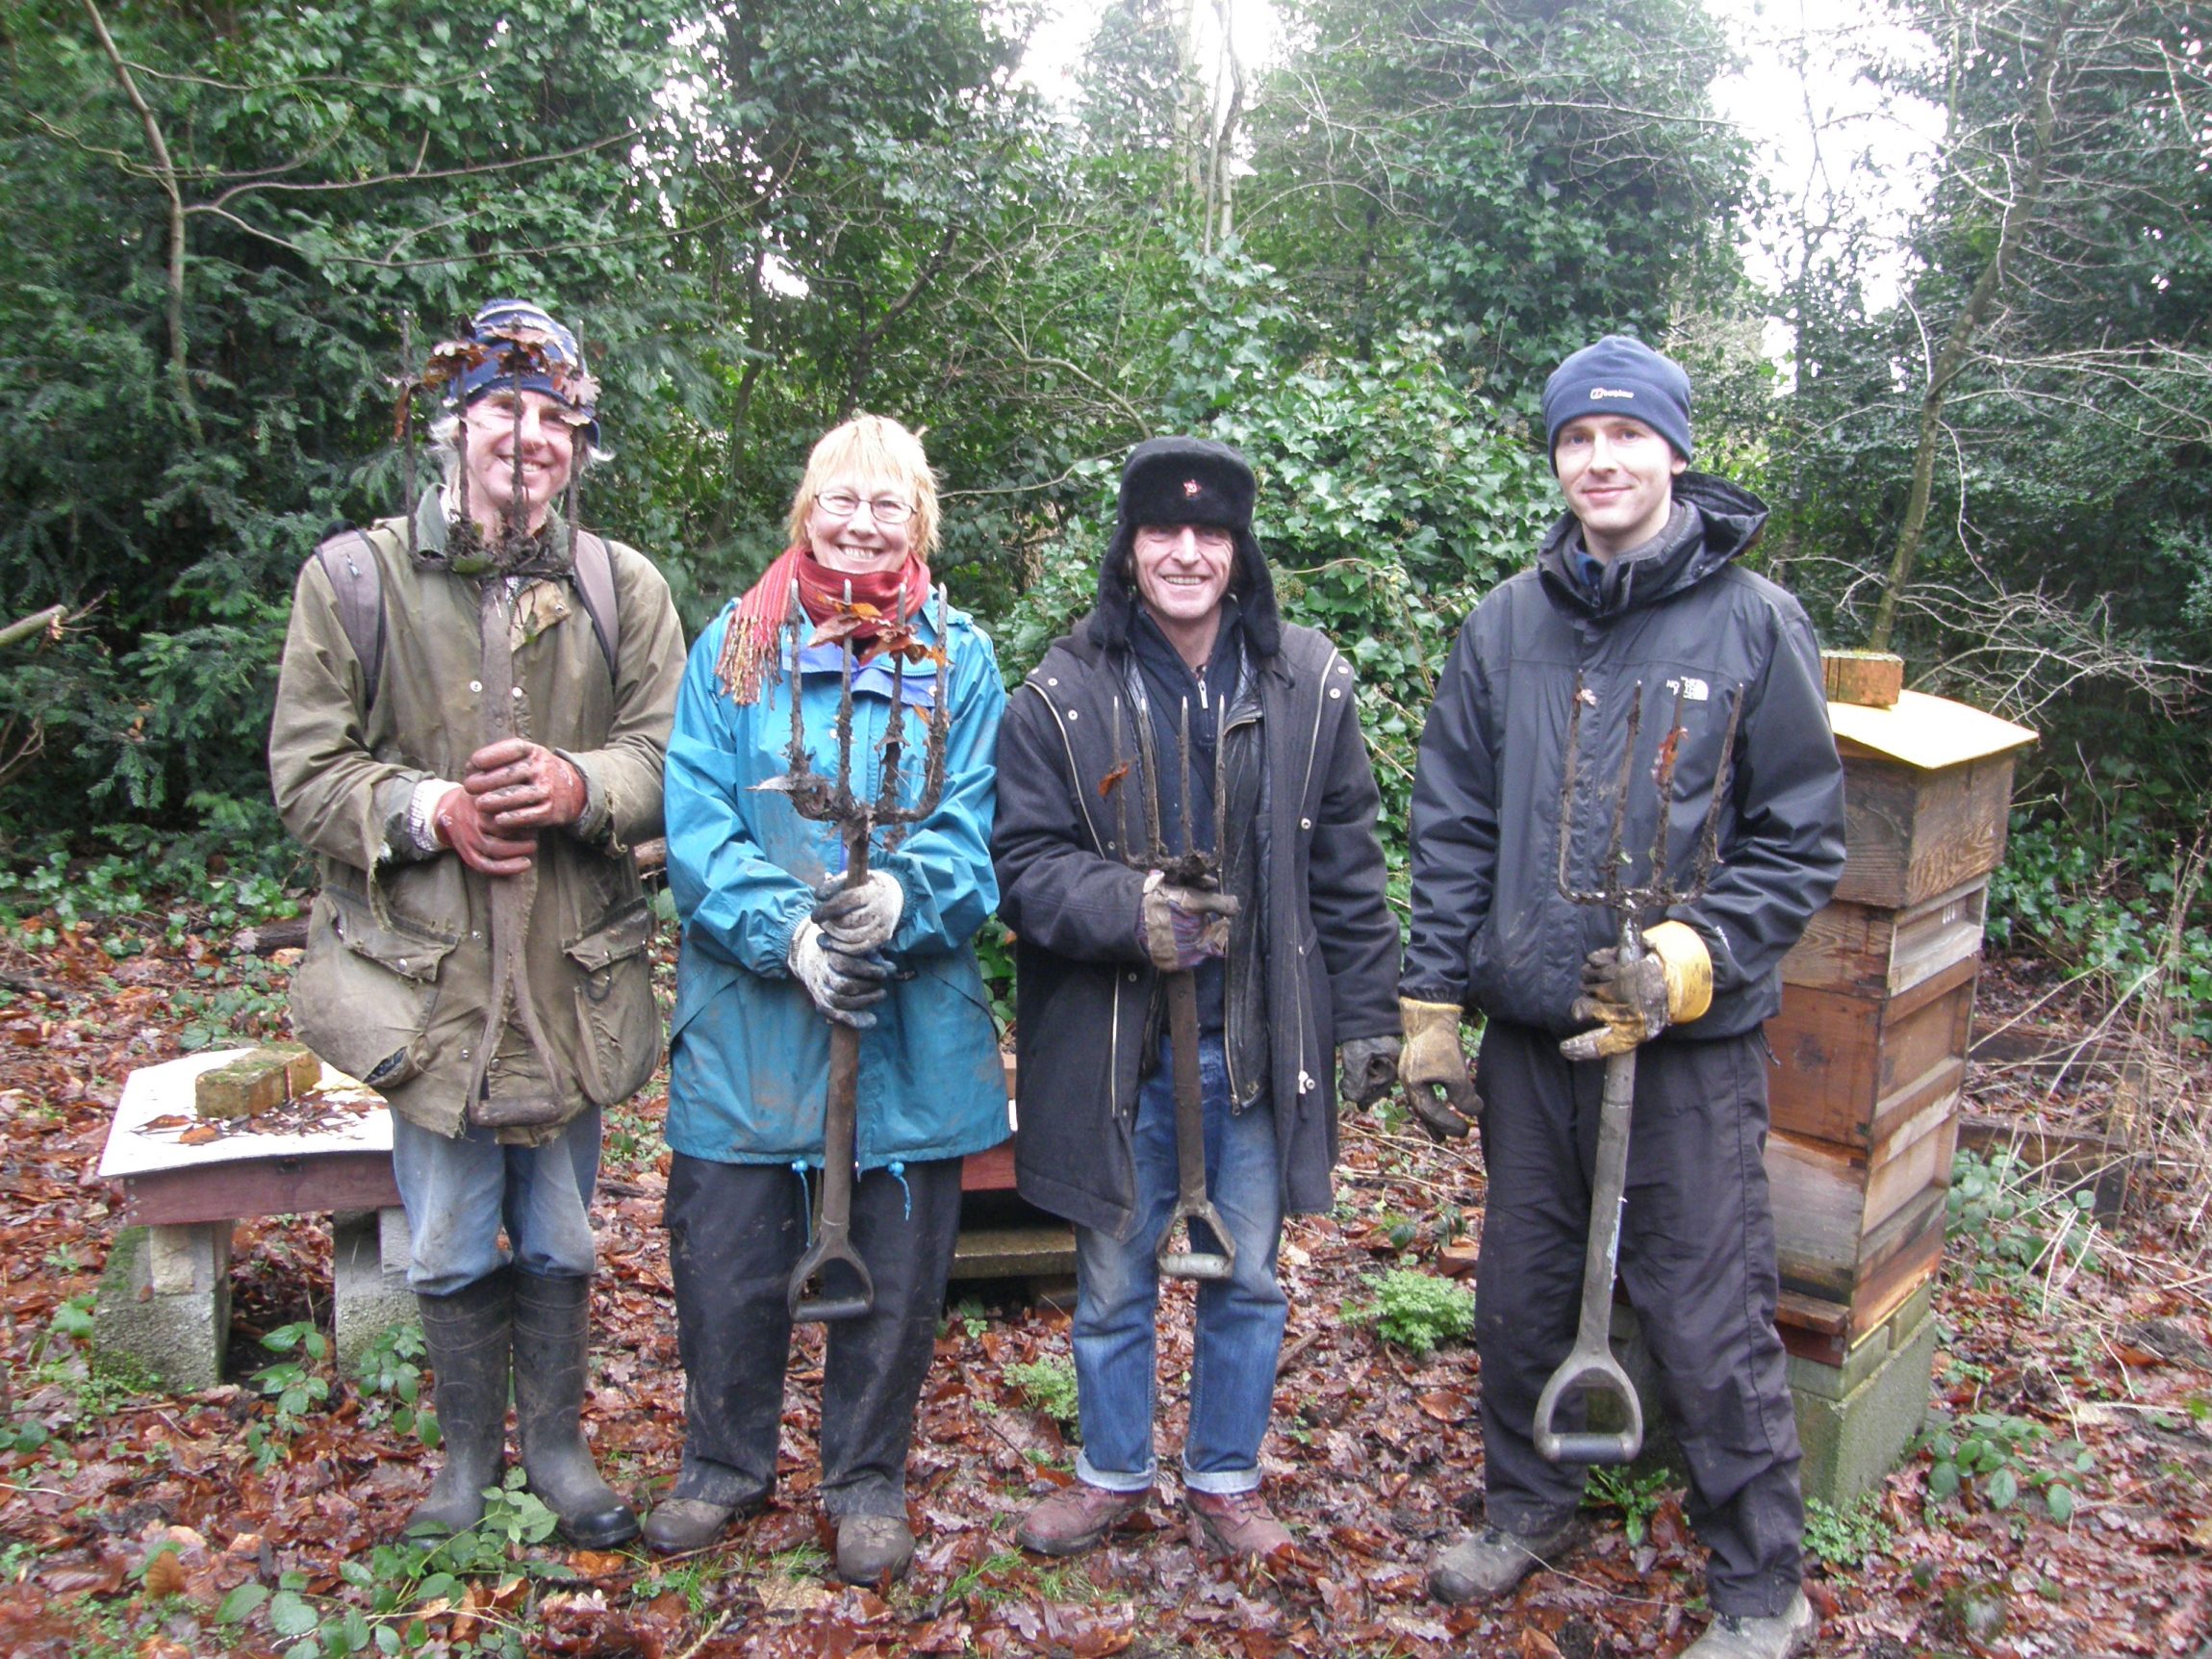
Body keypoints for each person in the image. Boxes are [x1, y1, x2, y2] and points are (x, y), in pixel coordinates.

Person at [1399, 335, 1845, 1659]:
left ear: (1674, 452)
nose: (1599, 460)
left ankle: (1759, 1584)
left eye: (1625, 435)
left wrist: (1691, 955)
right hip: (1535, 1033)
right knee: (1520, 1290)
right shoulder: (1503, 626)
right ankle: (1528, 1503)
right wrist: (1432, 1006)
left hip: (1686, 1048)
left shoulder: (1753, 623)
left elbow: (1799, 836)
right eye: (1576, 439)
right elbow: (1452, 825)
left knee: (1707, 1310)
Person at [271, 299, 686, 1546]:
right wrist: (427, 809)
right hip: (429, 980)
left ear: (578, 444)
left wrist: (578, 785)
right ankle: (462, 1465)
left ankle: (556, 1452)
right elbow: (306, 772)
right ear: (455, 424)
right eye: (503, 406)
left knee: (560, 1232)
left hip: (569, 975)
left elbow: (670, 757)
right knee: (448, 1233)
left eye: (554, 417)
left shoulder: (621, 587)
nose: (528, 435)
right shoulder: (354, 581)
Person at [993, 437, 1401, 1561]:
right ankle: (1112, 1472)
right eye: (1162, 531)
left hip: (1258, 1043)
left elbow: (1347, 868)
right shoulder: (1063, 693)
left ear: (1238, 550)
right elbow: (1020, 862)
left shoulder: (1305, 682)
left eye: (1209, 532)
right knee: (1112, 1279)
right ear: (1128, 547)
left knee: (1250, 1277)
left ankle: (1224, 1477)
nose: (1185, 552)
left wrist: (1371, 1014)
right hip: (1117, 1049)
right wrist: (1128, 908)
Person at [643, 414, 1008, 1585]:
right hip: (749, 1020)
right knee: (728, 1256)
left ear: (920, 522)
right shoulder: (736, 648)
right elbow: (696, 819)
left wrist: (905, 893)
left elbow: (977, 818)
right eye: (840, 500)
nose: (860, 523)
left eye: (887, 503)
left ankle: (864, 1477)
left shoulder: (959, 659)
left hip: (908, 1024)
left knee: (894, 1270)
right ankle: (723, 1463)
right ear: (806, 510)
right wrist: (789, 932)